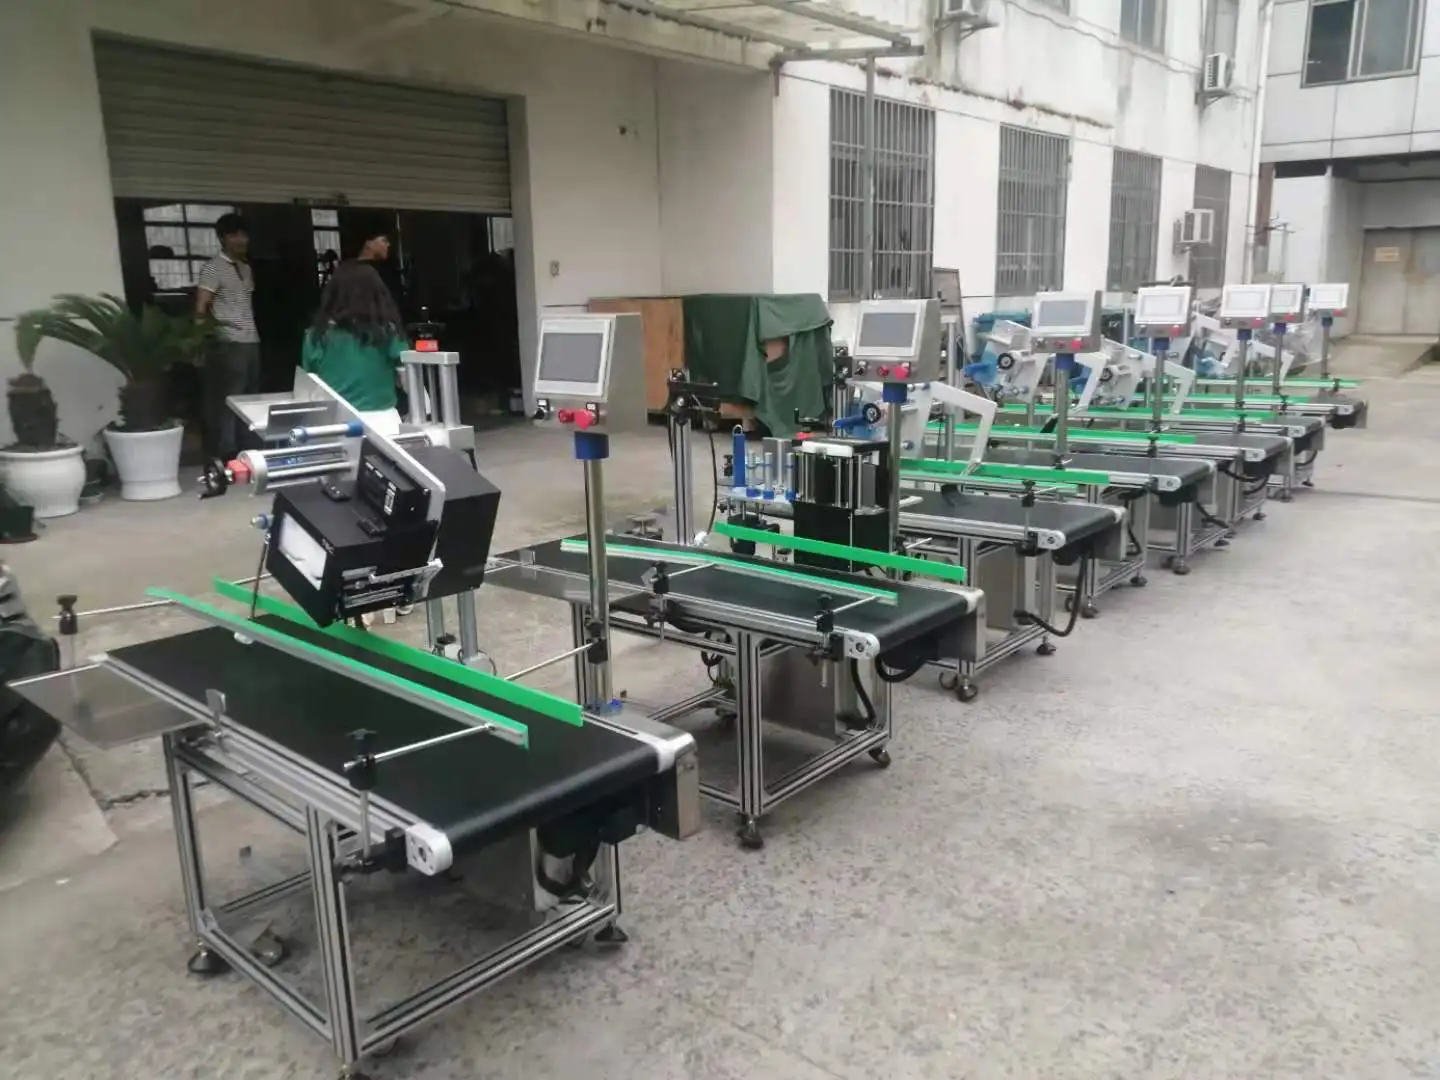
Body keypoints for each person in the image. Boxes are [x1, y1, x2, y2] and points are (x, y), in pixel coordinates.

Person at [301, 259, 408, 435]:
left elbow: (310, 389)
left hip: (333, 426)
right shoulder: (388, 332)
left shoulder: (316, 336)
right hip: (384, 425)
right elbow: (410, 379)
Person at [195, 213, 261, 460]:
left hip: (251, 340)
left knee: (250, 397)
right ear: (223, 238)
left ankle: (247, 446)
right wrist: (199, 342)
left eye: (244, 235)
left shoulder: (246, 268)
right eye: (235, 235)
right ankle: (226, 450)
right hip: (228, 341)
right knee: (230, 397)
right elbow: (202, 306)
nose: (241, 240)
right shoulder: (213, 267)